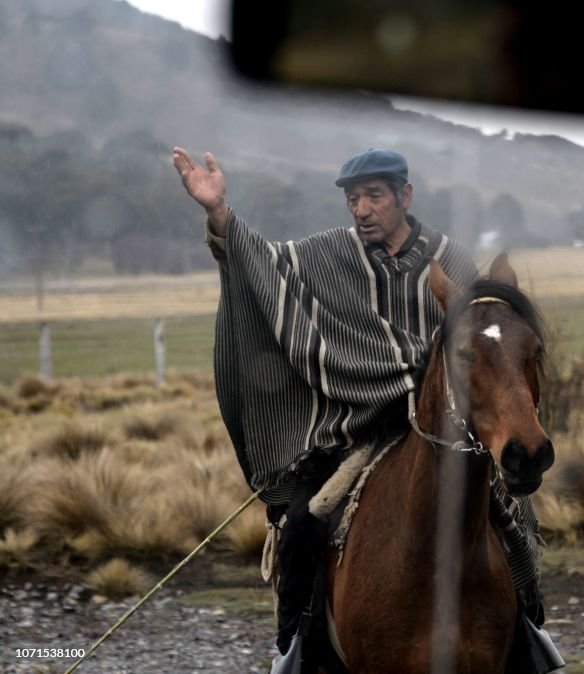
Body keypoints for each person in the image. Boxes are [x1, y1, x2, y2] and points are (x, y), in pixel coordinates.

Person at [171, 147, 557, 673]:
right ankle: (297, 650)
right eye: (353, 199)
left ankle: (530, 632)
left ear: (405, 196)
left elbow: (489, 348)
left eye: (373, 196)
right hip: (358, 431)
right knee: (306, 522)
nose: (361, 209)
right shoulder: (328, 257)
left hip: (448, 432)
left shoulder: (453, 261)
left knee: (514, 520)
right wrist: (219, 213)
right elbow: (265, 266)